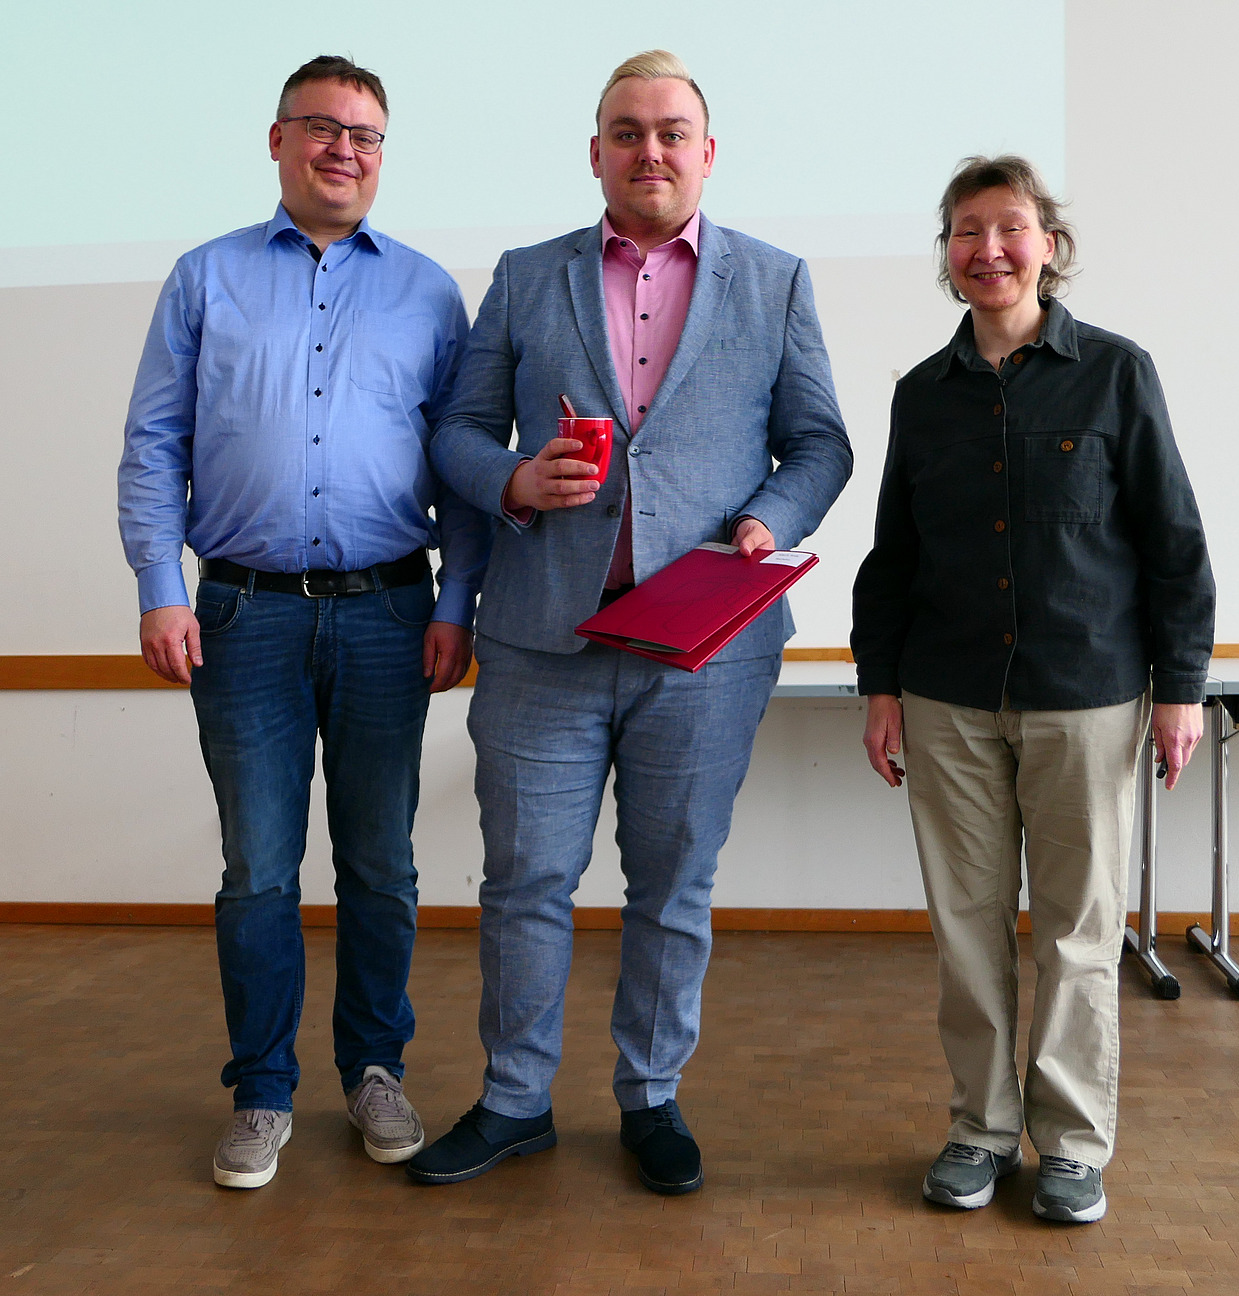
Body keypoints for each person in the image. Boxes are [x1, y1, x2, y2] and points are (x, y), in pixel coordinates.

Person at [404, 50, 851, 1195]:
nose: (649, 150)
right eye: (625, 132)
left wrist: (767, 517)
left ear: (707, 151)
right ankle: (514, 1101)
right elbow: (455, 426)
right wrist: (508, 479)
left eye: (670, 131)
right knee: (525, 882)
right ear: (595, 151)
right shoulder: (525, 274)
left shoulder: (777, 280)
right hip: (542, 640)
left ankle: (650, 1096)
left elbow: (820, 444)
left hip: (705, 648)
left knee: (673, 884)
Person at [117, 55, 490, 1189]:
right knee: (259, 869)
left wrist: (458, 602)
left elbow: (464, 467)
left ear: (384, 156)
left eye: (367, 135)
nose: (344, 149)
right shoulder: (204, 279)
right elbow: (152, 446)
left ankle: (375, 1069)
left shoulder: (428, 291)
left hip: (390, 612)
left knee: (381, 865)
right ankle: (264, 1090)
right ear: (276, 141)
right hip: (242, 614)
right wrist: (159, 584)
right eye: (322, 128)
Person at [851, 155, 1214, 1224]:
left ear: (1049, 244)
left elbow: (1173, 541)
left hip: (1087, 694)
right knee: (968, 932)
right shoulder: (921, 394)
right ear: (948, 256)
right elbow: (894, 557)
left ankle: (1072, 1146)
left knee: (1076, 934)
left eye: (1010, 228)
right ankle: (978, 1131)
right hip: (946, 696)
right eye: (967, 231)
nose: (990, 250)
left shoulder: (1115, 372)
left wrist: (1181, 688)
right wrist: (880, 689)